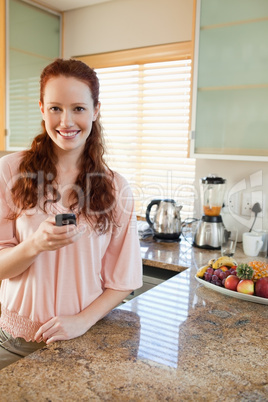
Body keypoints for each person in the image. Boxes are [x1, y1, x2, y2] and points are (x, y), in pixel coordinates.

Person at [0, 58, 143, 370]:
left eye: (78, 108)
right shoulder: (9, 171)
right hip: (14, 343)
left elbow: (123, 279)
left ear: (95, 110)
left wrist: (80, 321)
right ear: (41, 109)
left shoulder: (116, 187)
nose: (66, 121)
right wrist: (35, 244)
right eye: (55, 108)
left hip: (85, 342)